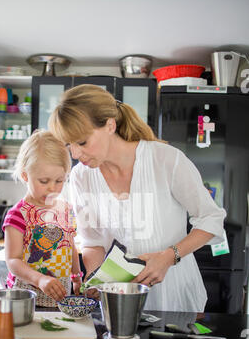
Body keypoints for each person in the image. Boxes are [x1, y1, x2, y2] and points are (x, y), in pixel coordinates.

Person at [49, 84, 226, 312]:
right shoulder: (81, 176)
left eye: (82, 142)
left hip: (173, 295)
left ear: (110, 125)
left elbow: (211, 219)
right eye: (69, 145)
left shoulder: (165, 160)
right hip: (118, 298)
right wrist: (96, 278)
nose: (75, 154)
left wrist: (168, 256)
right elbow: (92, 242)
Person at [3, 130, 82, 307]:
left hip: (60, 297)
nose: (52, 188)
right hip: (24, 300)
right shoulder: (18, 214)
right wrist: (40, 280)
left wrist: (76, 277)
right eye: (44, 181)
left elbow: (70, 246)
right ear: (25, 176)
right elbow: (12, 260)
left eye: (59, 181)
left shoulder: (65, 209)